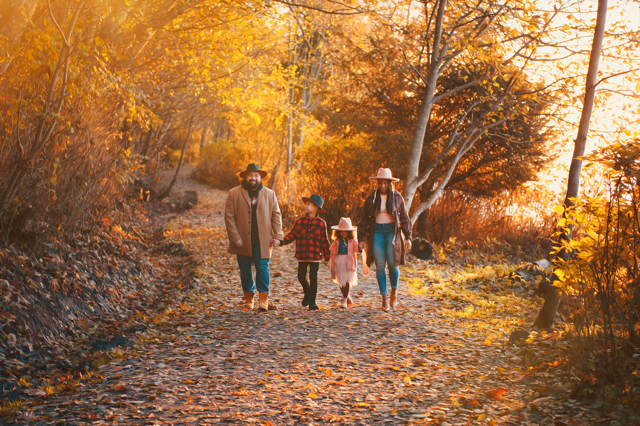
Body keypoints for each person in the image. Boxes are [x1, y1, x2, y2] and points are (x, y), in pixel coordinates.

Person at [224, 163, 284, 312]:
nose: (253, 178)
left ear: (260, 177)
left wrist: (278, 235)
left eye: (256, 175)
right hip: (242, 240)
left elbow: (276, 215)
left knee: (263, 268)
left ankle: (263, 299)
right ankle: (249, 298)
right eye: (250, 175)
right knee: (245, 270)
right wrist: (235, 237)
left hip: (263, 239)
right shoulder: (234, 193)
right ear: (245, 176)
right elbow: (229, 217)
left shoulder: (270, 194)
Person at [357, 168, 412, 311]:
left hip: (391, 232)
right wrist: (361, 238)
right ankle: (384, 298)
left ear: (389, 183)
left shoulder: (397, 197)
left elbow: (405, 218)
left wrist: (408, 237)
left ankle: (394, 292)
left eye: (385, 183)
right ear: (377, 183)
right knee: (380, 266)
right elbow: (363, 220)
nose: (382, 185)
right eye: (380, 183)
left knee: (393, 264)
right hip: (376, 233)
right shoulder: (370, 199)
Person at [280, 194, 330, 311]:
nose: (306, 206)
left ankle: (312, 302)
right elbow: (291, 235)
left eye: (308, 204)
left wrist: (327, 257)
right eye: (306, 204)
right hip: (302, 255)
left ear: (316, 208)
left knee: (313, 278)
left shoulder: (321, 223)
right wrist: (280, 242)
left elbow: (324, 241)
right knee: (301, 276)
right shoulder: (299, 222)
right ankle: (307, 292)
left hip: (315, 256)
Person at [330, 217, 369, 309]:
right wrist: (327, 257)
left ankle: (343, 300)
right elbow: (331, 250)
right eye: (342, 231)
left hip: (348, 262)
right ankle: (348, 297)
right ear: (338, 232)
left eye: (346, 231)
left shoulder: (352, 241)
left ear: (350, 232)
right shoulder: (337, 241)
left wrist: (359, 248)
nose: (343, 233)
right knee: (341, 281)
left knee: (346, 281)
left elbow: (356, 249)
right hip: (339, 261)